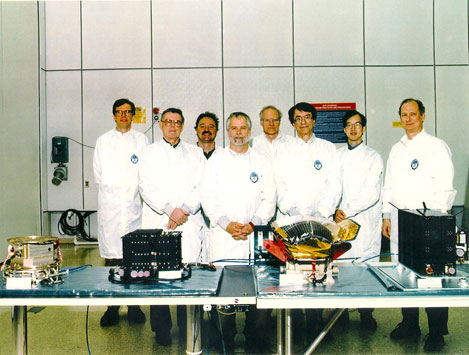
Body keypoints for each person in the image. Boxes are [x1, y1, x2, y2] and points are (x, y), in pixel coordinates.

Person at [382, 98, 456, 352]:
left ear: (423, 116)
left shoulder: (436, 146)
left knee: (432, 277)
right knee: (404, 272)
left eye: (413, 114)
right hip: (401, 222)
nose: (408, 118)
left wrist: (435, 220)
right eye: (404, 114)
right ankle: (409, 322)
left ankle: (437, 331)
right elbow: (388, 186)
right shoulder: (396, 148)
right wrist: (386, 216)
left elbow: (446, 186)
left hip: (429, 222)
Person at [201, 112, 276, 353]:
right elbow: (207, 197)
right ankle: (226, 338)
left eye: (243, 128)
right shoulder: (216, 161)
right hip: (224, 238)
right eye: (234, 128)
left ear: (250, 131)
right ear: (228, 131)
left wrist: (253, 223)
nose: (238, 132)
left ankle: (256, 338)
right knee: (224, 292)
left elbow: (269, 198)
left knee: (257, 290)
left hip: (253, 238)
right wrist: (226, 223)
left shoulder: (261, 161)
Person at [274, 102, 342, 343]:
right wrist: (294, 211)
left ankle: (318, 325)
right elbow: (279, 184)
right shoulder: (283, 150)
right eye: (298, 118)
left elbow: (335, 185)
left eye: (307, 117)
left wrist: (321, 212)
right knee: (295, 272)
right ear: (293, 123)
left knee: (319, 273)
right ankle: (296, 324)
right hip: (291, 220)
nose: (303, 122)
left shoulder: (328, 149)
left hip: (320, 221)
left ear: (314, 121)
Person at [138, 107, 206, 346]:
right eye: (168, 122)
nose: (172, 126)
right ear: (160, 125)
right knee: (159, 275)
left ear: (183, 125)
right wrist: (170, 210)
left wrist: (184, 210)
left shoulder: (196, 153)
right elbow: (146, 187)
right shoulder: (148, 153)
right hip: (160, 220)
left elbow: (202, 185)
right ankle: (161, 329)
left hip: (187, 221)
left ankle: (188, 323)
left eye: (177, 122)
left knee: (186, 275)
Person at [93, 98, 149, 327]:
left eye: (128, 112)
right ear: (114, 115)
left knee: (134, 258)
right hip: (111, 209)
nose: (124, 116)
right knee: (113, 259)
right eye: (120, 112)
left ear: (133, 115)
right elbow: (98, 175)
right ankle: (112, 307)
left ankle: (134, 306)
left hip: (134, 208)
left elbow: (145, 174)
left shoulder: (142, 140)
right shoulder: (103, 141)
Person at [334, 110, 383, 331]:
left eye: (358, 125)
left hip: (364, 221)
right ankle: (340, 314)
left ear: (363, 128)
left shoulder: (373, 156)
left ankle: (366, 315)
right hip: (339, 220)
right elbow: (332, 186)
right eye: (349, 125)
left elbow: (372, 192)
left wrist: (347, 209)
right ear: (344, 130)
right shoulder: (337, 155)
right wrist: (335, 209)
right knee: (341, 267)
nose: (353, 129)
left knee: (365, 267)